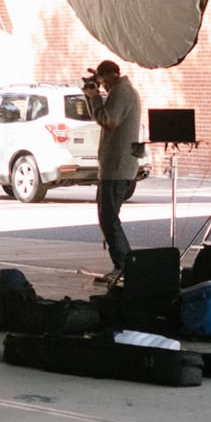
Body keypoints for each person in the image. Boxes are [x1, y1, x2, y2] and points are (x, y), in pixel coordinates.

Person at [83, 60, 141, 285]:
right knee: (107, 218)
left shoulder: (121, 92)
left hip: (117, 167)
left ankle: (125, 265)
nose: (103, 86)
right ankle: (124, 264)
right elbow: (102, 117)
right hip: (114, 166)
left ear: (113, 75)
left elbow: (108, 121)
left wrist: (95, 97)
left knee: (109, 219)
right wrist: (92, 97)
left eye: (103, 80)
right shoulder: (123, 91)